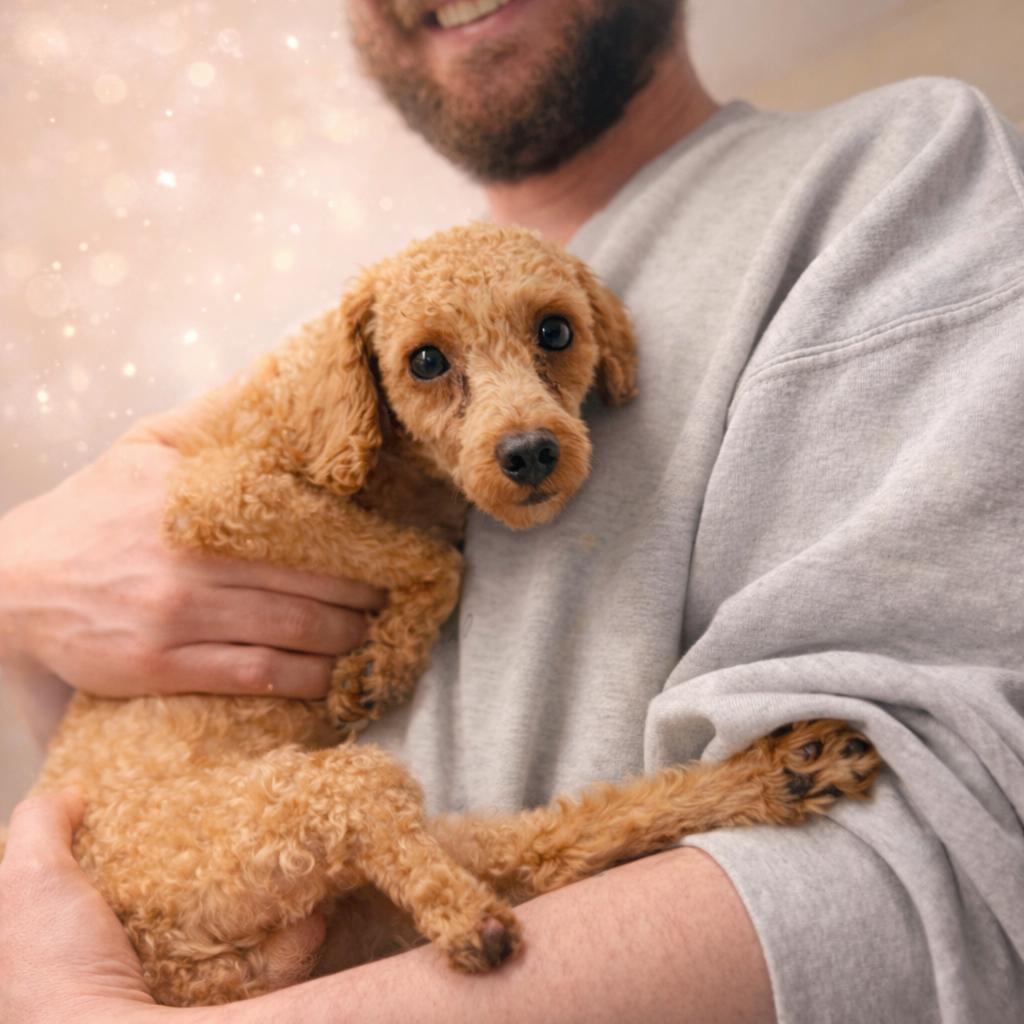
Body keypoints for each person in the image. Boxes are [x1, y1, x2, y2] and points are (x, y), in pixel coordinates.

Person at [2, 1, 1023, 1020]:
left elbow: (953, 853)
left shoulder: (890, 176)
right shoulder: (332, 360)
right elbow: (127, 781)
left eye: (550, 336)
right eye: (433, 365)